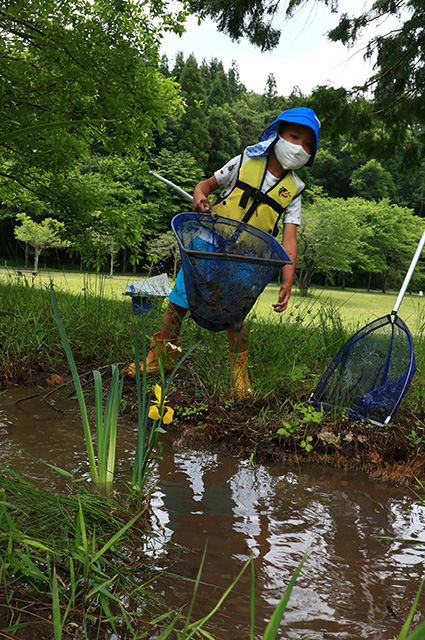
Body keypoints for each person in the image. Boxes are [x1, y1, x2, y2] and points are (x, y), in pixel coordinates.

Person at [126, 107, 320, 398]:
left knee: (236, 317)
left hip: (246, 261)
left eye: (307, 144)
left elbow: (289, 240)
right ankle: (159, 358)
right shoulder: (244, 161)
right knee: (178, 302)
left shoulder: (294, 191)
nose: (298, 147)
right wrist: (200, 196)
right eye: (293, 136)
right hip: (208, 245)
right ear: (277, 134)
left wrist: (287, 279)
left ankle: (239, 377)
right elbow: (205, 185)